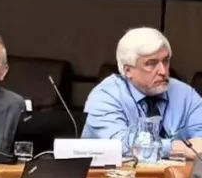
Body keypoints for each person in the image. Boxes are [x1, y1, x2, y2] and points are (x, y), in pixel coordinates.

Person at [82, 27, 202, 159]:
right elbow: (117, 145)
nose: (163, 71)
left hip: (176, 172)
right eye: (151, 64)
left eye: (165, 61)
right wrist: (177, 148)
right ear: (128, 70)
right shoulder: (105, 96)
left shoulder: (185, 94)